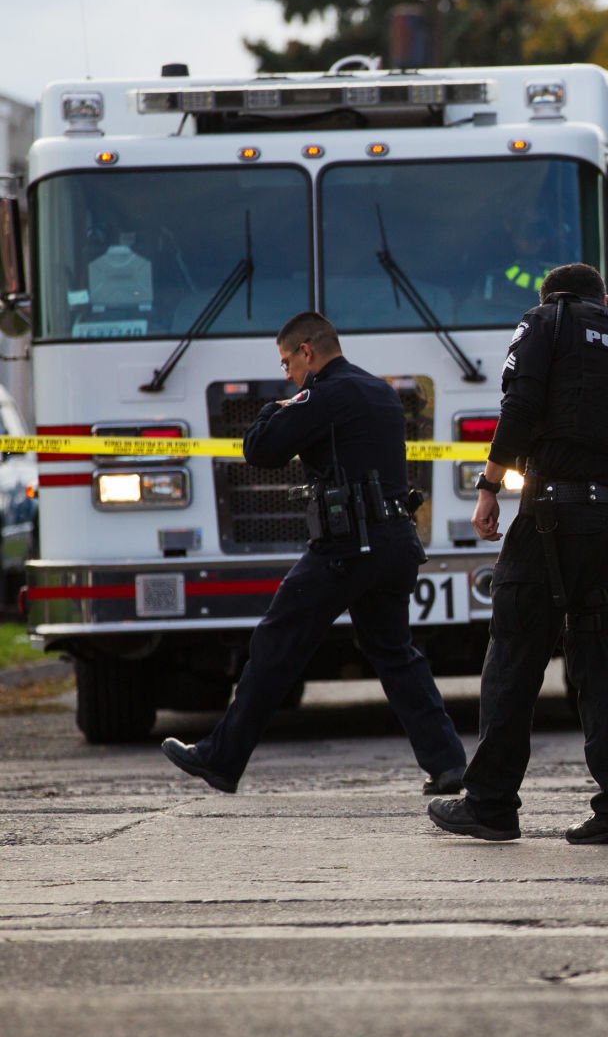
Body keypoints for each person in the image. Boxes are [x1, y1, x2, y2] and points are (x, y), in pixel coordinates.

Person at [427, 263, 608, 845]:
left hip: (552, 518)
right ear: (603, 297)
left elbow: (520, 407)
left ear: (552, 295)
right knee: (602, 664)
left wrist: (487, 488)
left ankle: (492, 804)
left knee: (515, 656)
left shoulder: (545, 321)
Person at [160, 311, 467, 794]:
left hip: (347, 547)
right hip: (394, 542)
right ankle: (448, 763)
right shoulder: (377, 390)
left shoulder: (324, 394)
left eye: (286, 362)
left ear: (308, 351)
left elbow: (260, 450)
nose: (286, 373)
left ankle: (221, 759)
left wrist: (274, 408)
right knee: (396, 654)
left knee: (275, 643)